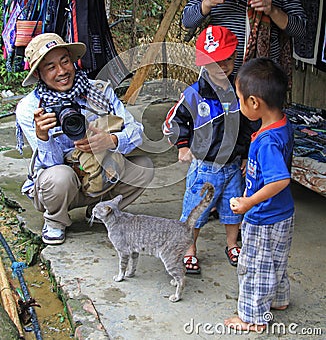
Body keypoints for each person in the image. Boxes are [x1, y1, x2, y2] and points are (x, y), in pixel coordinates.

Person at [16, 33, 154, 245]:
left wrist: (111, 140)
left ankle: (99, 210)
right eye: (51, 67)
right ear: (39, 75)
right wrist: (43, 137)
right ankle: (55, 220)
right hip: (63, 185)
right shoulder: (30, 108)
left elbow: (137, 132)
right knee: (59, 176)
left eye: (65, 62)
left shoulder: (98, 91)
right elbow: (51, 165)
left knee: (144, 166)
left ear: (73, 61)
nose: (62, 72)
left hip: (100, 175)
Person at [163, 25, 254, 273]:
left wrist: (246, 153)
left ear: (235, 57)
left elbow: (249, 123)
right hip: (205, 166)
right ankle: (189, 249)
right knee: (196, 211)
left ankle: (232, 244)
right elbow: (173, 122)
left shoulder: (241, 90)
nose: (221, 67)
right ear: (203, 63)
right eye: (214, 62)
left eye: (227, 60)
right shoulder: (193, 94)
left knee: (233, 208)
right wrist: (183, 145)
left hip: (233, 165)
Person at [224, 57, 294, 332]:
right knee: (275, 260)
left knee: (254, 265)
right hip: (283, 213)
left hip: (263, 215)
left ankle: (252, 317)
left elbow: (280, 179)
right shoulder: (282, 125)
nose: (240, 105)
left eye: (241, 99)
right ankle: (278, 298)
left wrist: (248, 202)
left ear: (255, 103)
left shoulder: (266, 141)